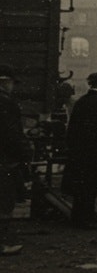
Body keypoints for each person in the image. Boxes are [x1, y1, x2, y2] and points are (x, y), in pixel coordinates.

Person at [62, 72, 97, 228]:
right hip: (95, 152)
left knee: (81, 187)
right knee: (92, 187)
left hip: (79, 151)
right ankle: (89, 220)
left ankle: (78, 217)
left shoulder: (81, 101)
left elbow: (72, 128)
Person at [0, 65, 29, 255]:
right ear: (5, 82)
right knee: (4, 202)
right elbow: (12, 135)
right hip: (4, 159)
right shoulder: (6, 103)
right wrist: (24, 155)